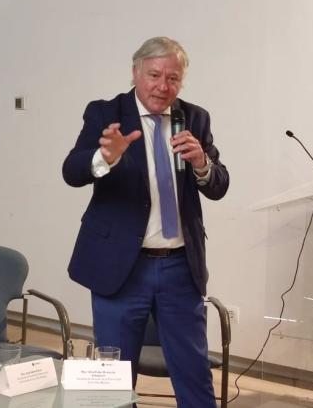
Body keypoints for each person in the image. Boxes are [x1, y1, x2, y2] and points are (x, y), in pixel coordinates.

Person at [62, 36, 229, 407]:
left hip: (180, 267)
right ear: (136, 72)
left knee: (194, 374)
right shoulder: (106, 113)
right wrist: (105, 158)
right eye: (154, 75)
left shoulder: (195, 118)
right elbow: (72, 171)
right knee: (115, 382)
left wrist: (202, 163)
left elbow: (219, 185)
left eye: (173, 78)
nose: (162, 86)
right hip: (121, 266)